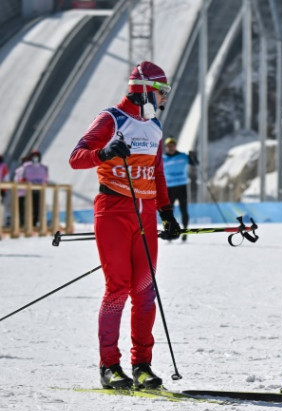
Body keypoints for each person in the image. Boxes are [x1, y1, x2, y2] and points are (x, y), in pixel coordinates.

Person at [68, 60, 182, 390]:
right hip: (113, 211)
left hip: (145, 214)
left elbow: (157, 173)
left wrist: (167, 213)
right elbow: (76, 158)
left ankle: (141, 365)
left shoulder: (154, 126)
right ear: (145, 90)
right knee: (117, 288)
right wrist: (103, 153)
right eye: (161, 91)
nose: (164, 98)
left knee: (145, 291)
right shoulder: (111, 119)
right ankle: (109, 365)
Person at [162, 136, 192, 241]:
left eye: (172, 145)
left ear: (175, 146)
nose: (171, 147)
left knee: (184, 210)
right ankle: (170, 232)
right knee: (169, 211)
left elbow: (195, 163)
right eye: (168, 146)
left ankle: (185, 231)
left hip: (181, 186)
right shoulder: (162, 158)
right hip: (169, 188)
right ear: (166, 147)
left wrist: (193, 157)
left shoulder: (183, 156)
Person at [13, 150, 50, 227]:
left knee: (37, 207)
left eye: (37, 156)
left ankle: (34, 222)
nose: (35, 158)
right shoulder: (26, 167)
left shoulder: (43, 167)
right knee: (25, 208)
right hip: (26, 192)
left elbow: (46, 179)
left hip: (38, 190)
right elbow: (20, 179)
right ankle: (23, 223)